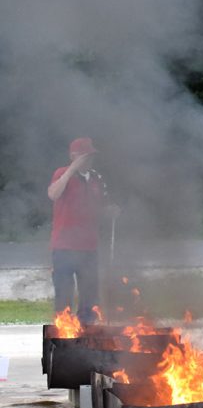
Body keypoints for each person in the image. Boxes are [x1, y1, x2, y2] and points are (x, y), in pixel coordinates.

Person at [48, 137, 113, 324]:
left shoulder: (96, 178)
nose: (89, 160)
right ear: (73, 156)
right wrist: (71, 170)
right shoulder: (62, 174)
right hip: (63, 247)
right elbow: (53, 194)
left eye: (91, 156)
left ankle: (87, 333)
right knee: (63, 294)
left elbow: (101, 206)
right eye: (84, 156)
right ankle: (64, 333)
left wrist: (110, 211)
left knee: (90, 296)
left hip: (88, 247)